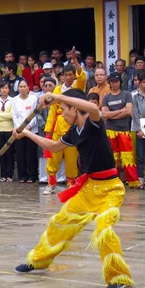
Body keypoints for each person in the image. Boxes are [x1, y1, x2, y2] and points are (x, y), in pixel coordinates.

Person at [13, 89, 133, 288]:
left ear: (75, 108)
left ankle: (118, 277)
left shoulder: (94, 123)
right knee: (60, 222)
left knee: (104, 230)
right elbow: (53, 146)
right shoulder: (72, 132)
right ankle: (39, 260)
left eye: (63, 110)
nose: (62, 114)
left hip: (111, 188)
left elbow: (94, 107)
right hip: (88, 189)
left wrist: (58, 97)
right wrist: (25, 133)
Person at [44, 47, 86, 192]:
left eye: (70, 74)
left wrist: (75, 61)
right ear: (61, 76)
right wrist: (48, 130)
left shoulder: (78, 87)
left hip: (72, 126)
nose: (68, 77)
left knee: (71, 157)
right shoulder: (57, 90)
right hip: (58, 126)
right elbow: (52, 111)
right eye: (65, 75)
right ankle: (51, 183)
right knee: (54, 157)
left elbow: (83, 77)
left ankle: (71, 182)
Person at [102, 72, 138, 188]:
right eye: (112, 81)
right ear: (110, 83)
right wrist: (119, 111)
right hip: (110, 131)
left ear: (120, 82)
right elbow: (104, 114)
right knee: (113, 158)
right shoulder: (106, 97)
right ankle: (114, 182)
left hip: (123, 130)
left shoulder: (127, 94)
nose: (115, 83)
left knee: (128, 157)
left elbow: (128, 111)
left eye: (116, 81)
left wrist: (111, 114)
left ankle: (133, 182)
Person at [12, 80, 38, 183]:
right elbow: (14, 115)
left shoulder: (33, 99)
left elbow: (35, 114)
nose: (22, 88)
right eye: (20, 86)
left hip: (31, 130)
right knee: (20, 153)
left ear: (28, 88)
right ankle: (22, 176)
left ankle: (32, 175)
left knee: (31, 153)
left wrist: (29, 126)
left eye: (24, 86)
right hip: (19, 130)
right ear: (18, 88)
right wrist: (19, 128)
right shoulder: (14, 100)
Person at [0, 81, 14, 182]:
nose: (4, 90)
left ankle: (10, 174)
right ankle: (3, 174)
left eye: (6, 88)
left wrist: (0, 114)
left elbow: (12, 115)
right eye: (2, 88)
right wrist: (5, 116)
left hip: (10, 129)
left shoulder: (13, 101)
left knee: (9, 153)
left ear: (9, 89)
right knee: (1, 153)